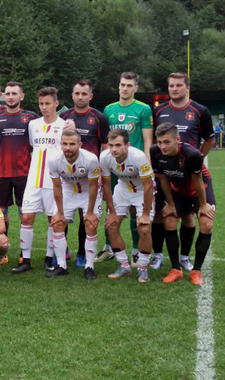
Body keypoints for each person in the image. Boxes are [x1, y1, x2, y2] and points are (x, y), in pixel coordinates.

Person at [152, 72, 215, 271]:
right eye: (171, 85)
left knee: (188, 217)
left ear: (187, 87)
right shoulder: (159, 110)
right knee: (161, 214)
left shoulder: (200, 110)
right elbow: (155, 139)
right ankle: (158, 256)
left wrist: (197, 158)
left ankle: (184, 258)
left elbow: (210, 139)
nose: (174, 89)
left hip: (190, 175)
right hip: (166, 171)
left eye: (179, 85)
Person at [152, 123, 216, 285]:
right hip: (177, 189)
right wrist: (170, 203)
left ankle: (196, 271)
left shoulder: (192, 154)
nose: (162, 146)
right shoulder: (155, 152)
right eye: (159, 142)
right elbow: (163, 178)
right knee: (169, 221)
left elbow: (198, 180)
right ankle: (175, 269)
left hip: (199, 189)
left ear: (177, 139)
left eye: (167, 142)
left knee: (206, 224)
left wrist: (203, 205)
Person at [14, 86, 67, 275]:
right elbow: (31, 146)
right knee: (26, 217)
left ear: (56, 103)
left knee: (54, 219)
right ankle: (25, 260)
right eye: (41, 104)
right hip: (34, 179)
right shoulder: (33, 125)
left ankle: (49, 258)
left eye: (47, 103)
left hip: (54, 181)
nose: (44, 107)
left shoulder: (64, 125)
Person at [101, 72, 153, 265]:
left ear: (136, 88)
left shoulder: (143, 109)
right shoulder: (109, 109)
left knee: (134, 210)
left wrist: (148, 164)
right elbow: (106, 140)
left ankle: (136, 250)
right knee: (111, 207)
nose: (125, 88)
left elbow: (148, 139)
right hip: (115, 165)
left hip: (135, 165)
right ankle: (108, 248)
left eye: (129, 85)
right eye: (122, 84)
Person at [60, 79, 110, 268]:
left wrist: (101, 174)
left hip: (89, 176)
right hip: (67, 175)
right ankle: (62, 251)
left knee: (86, 215)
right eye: (77, 93)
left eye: (84, 94)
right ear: (72, 95)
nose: (80, 97)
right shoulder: (64, 116)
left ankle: (82, 253)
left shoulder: (99, 117)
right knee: (61, 215)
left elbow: (104, 147)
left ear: (90, 96)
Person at [0, 81, 38, 245]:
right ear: (4, 96)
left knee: (25, 213)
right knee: (1, 212)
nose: (11, 97)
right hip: (1, 173)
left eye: (14, 93)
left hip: (24, 173)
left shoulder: (31, 118)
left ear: (22, 96)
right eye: (8, 94)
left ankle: (24, 252)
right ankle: (3, 246)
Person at [99, 129, 155, 283]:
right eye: (111, 145)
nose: (113, 149)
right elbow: (106, 184)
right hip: (123, 189)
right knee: (111, 225)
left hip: (142, 191)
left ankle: (143, 268)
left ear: (127, 145)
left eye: (118, 145)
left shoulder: (138, 156)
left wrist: (145, 214)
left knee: (144, 228)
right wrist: (111, 211)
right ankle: (124, 266)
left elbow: (148, 185)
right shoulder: (104, 157)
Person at [48, 128, 102, 280]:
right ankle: (61, 266)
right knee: (57, 223)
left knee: (90, 224)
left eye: (72, 144)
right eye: (64, 144)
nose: (68, 148)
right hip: (68, 191)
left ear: (80, 144)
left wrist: (89, 212)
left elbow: (93, 186)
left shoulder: (90, 159)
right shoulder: (53, 160)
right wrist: (60, 212)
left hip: (88, 192)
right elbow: (57, 186)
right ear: (60, 144)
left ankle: (89, 267)